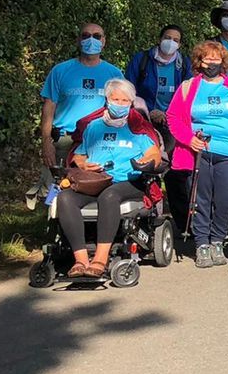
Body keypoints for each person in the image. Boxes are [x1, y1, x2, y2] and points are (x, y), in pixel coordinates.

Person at [167, 40, 228, 268]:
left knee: (226, 199)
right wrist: (188, 138)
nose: (211, 62)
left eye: (215, 58)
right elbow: (172, 117)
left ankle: (218, 241)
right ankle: (201, 244)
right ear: (199, 62)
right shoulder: (189, 87)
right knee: (200, 200)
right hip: (198, 153)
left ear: (223, 61)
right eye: (206, 58)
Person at [58, 79, 163, 277]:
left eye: (125, 100)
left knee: (109, 195)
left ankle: (100, 258)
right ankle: (80, 260)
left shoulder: (137, 127)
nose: (120, 103)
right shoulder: (93, 127)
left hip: (128, 181)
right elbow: (79, 154)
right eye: (116, 99)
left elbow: (154, 154)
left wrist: (145, 161)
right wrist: (82, 164)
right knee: (65, 198)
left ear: (131, 103)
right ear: (107, 100)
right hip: (96, 180)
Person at [124, 24, 194, 229]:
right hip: (143, 119)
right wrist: (149, 110)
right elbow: (128, 88)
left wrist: (170, 115)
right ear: (159, 38)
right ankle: (142, 214)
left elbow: (188, 94)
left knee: (175, 172)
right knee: (145, 166)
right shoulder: (142, 59)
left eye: (176, 39)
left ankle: (183, 224)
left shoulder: (183, 64)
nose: (171, 42)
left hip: (173, 120)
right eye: (167, 37)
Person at [39, 22, 125, 171]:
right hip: (64, 141)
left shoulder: (114, 74)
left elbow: (122, 109)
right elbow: (49, 107)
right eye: (86, 35)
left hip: (97, 141)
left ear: (103, 41)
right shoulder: (60, 71)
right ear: (78, 40)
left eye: (97, 36)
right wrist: (46, 142)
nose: (91, 40)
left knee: (92, 189)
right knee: (54, 190)